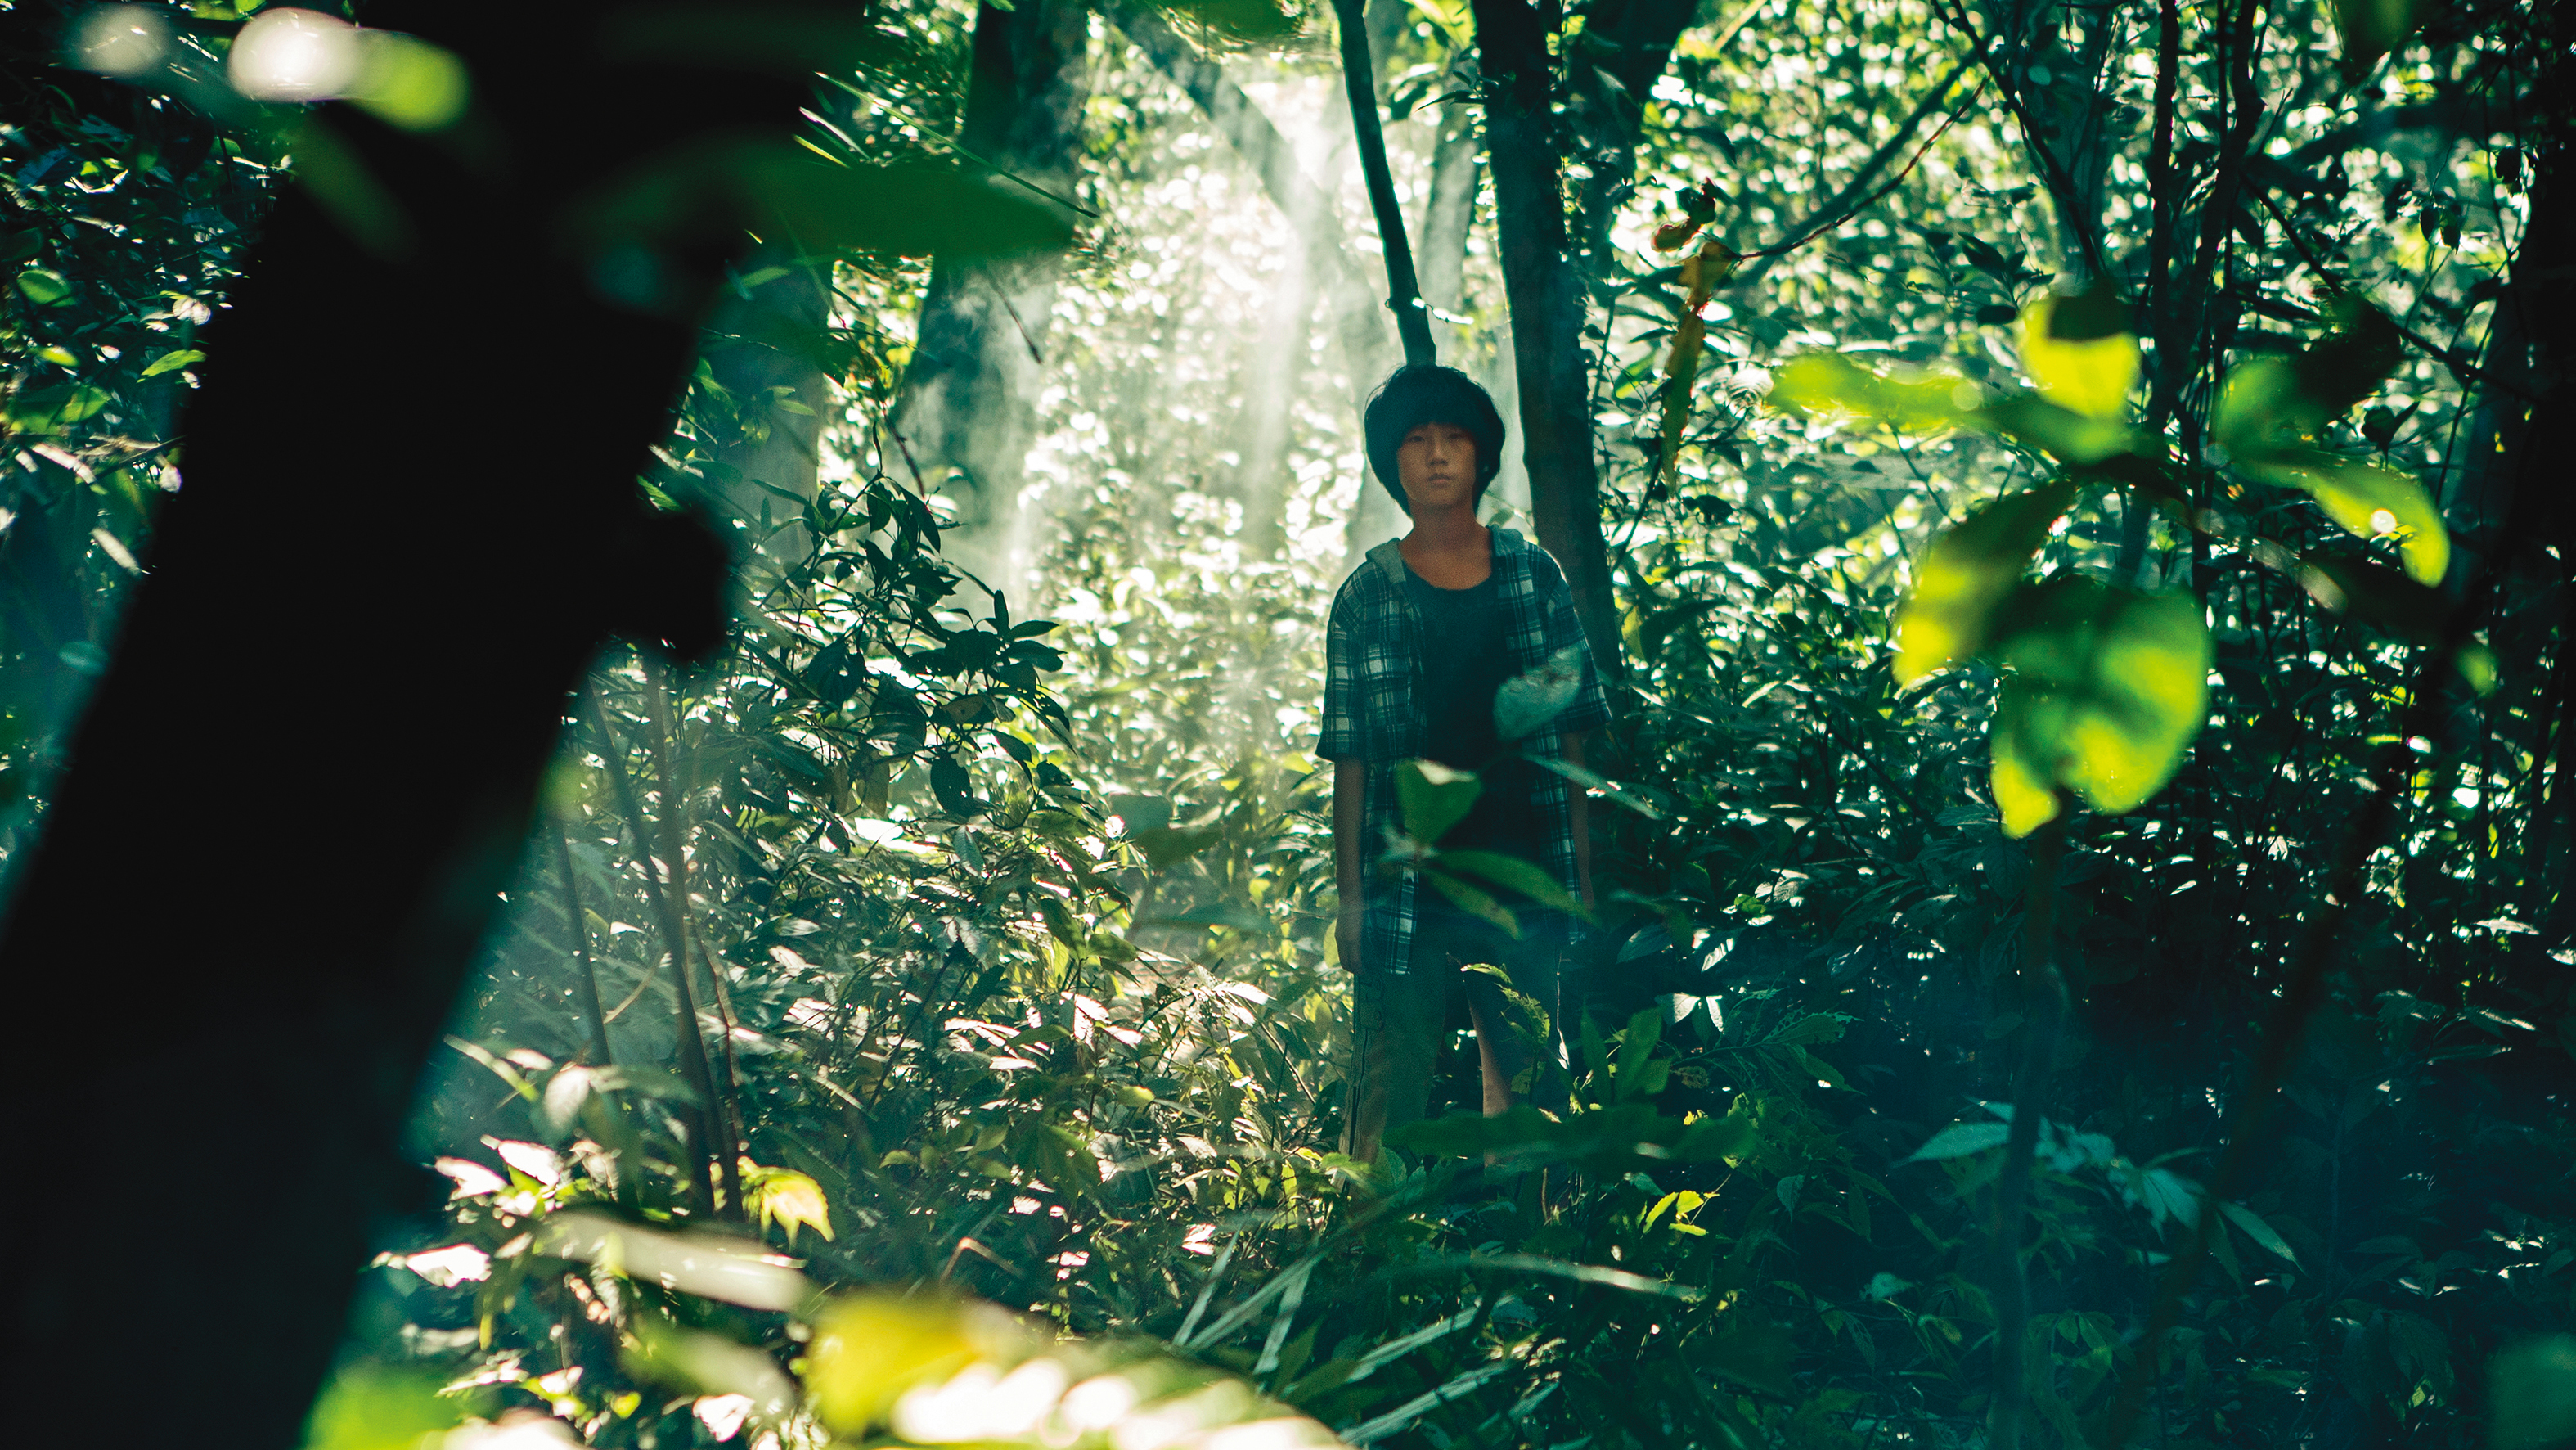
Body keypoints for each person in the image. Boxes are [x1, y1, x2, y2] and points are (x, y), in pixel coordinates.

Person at [1319, 364, 1612, 1164]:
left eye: (1454, 438)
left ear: (1482, 458)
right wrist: (1348, 899)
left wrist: (1577, 874)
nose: (1437, 455)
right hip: (1401, 882)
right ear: (1393, 467)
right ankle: (1368, 1262)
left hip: (1517, 874)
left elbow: (1573, 733)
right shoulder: (1365, 596)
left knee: (1525, 1094)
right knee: (1387, 1085)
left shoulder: (1533, 575)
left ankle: (1524, 1265)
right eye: (1416, 441)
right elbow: (1348, 758)